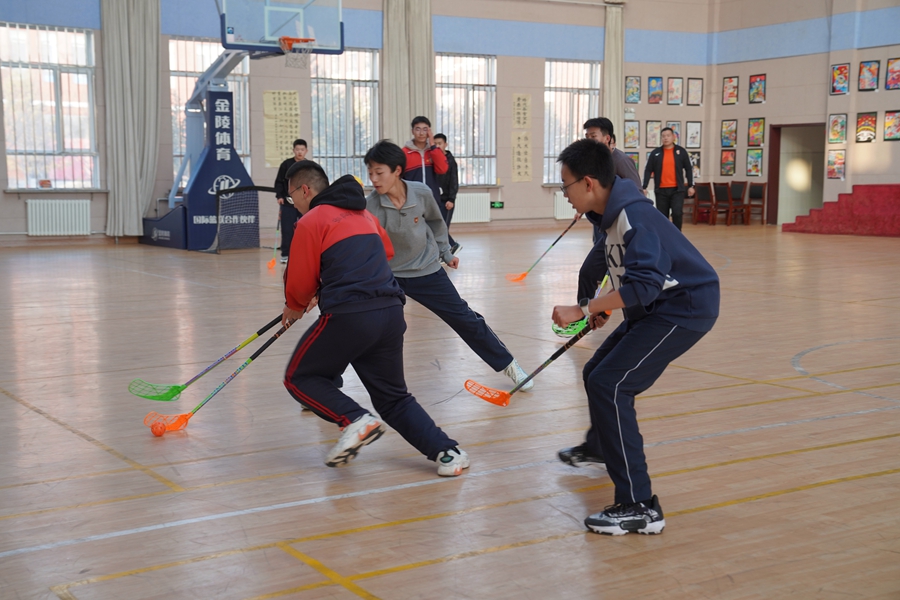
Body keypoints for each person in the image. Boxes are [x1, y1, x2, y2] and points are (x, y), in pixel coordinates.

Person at [552, 139, 719, 535]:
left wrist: (585, 310)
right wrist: (598, 303)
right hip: (656, 308)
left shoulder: (633, 215)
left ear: (589, 183)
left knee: (611, 385)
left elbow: (645, 285)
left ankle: (639, 506)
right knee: (597, 373)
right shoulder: (608, 216)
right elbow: (608, 268)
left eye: (566, 186)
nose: (565, 194)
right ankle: (602, 450)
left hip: (684, 308)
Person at [281, 161, 469, 477]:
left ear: (305, 190)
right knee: (393, 397)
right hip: (390, 311)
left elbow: (299, 282)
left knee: (299, 377)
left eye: (291, 198)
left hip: (350, 315)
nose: (293, 205)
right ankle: (448, 452)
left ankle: (355, 419)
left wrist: (295, 304)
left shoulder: (312, 219)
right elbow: (386, 252)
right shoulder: (364, 215)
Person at [364, 140, 533, 392]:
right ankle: (326, 382)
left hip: (426, 269)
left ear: (397, 170)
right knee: (360, 325)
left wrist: (445, 252)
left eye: (379, 172)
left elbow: (436, 222)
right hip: (390, 277)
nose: (374, 179)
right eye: (370, 173)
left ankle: (510, 365)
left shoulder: (420, 192)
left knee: (465, 318)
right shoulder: (372, 206)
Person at [554, 118, 642, 338]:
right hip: (608, 228)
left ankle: (587, 313)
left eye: (593, 137)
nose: (589, 142)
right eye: (587, 138)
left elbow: (636, 193)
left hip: (622, 228)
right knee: (592, 273)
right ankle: (584, 316)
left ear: (608, 138)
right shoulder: (596, 164)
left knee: (616, 276)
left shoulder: (619, 161)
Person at [402, 117, 455, 249]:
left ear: (429, 132)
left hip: (432, 199)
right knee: (414, 231)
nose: (421, 133)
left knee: (434, 230)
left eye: (425, 129)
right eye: (418, 129)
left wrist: (432, 146)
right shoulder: (404, 153)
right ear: (412, 131)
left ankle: (436, 256)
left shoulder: (433, 151)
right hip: (412, 199)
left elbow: (443, 169)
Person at [642, 127, 695, 231]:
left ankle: (677, 235)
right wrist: (644, 186)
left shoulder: (681, 151)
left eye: (668, 136)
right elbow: (648, 170)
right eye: (663, 136)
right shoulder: (655, 153)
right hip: (661, 191)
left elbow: (689, 169)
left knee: (677, 213)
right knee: (662, 216)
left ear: (673, 137)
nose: (665, 138)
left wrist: (691, 186)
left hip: (677, 190)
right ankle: (664, 237)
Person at [273, 139, 309, 263]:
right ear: (294, 150)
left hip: (304, 203)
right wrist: (279, 196)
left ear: (306, 151)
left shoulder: (309, 166)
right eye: (297, 150)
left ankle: (306, 253)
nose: (300, 152)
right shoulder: (286, 164)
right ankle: (285, 255)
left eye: (302, 150)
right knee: (287, 229)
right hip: (288, 203)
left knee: (307, 229)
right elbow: (278, 182)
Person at [434, 133, 461, 255]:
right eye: (435, 144)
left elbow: (454, 181)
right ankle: (447, 249)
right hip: (436, 199)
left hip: (447, 200)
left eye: (440, 143)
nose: (437, 146)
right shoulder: (433, 159)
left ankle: (452, 246)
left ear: (445, 144)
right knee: (437, 226)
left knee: (442, 227)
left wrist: (451, 199)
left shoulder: (451, 161)